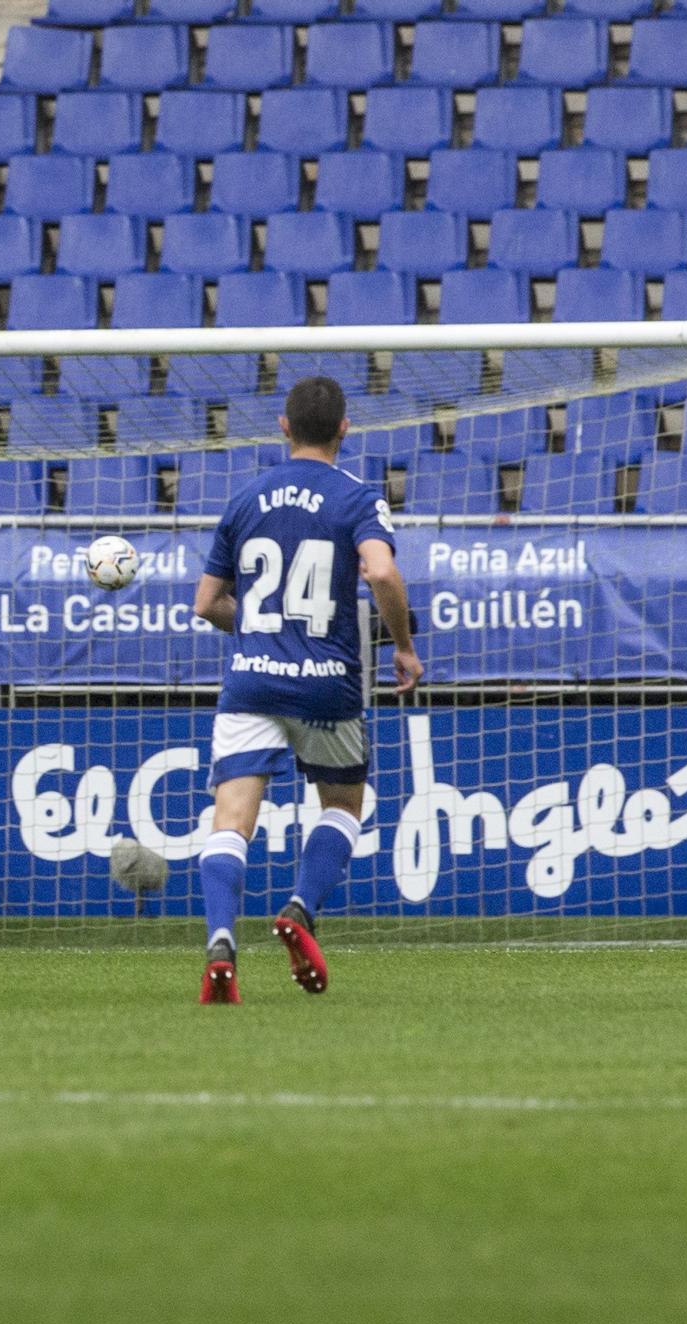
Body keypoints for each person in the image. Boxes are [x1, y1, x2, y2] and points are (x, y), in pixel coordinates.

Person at [190, 377, 422, 1002]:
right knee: (343, 807)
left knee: (231, 822)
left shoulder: (245, 498)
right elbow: (380, 569)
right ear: (345, 429)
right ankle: (298, 910)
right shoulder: (357, 497)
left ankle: (220, 942)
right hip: (327, 684)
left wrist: (267, 627)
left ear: (283, 426)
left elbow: (207, 603)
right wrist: (402, 645)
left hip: (252, 681)